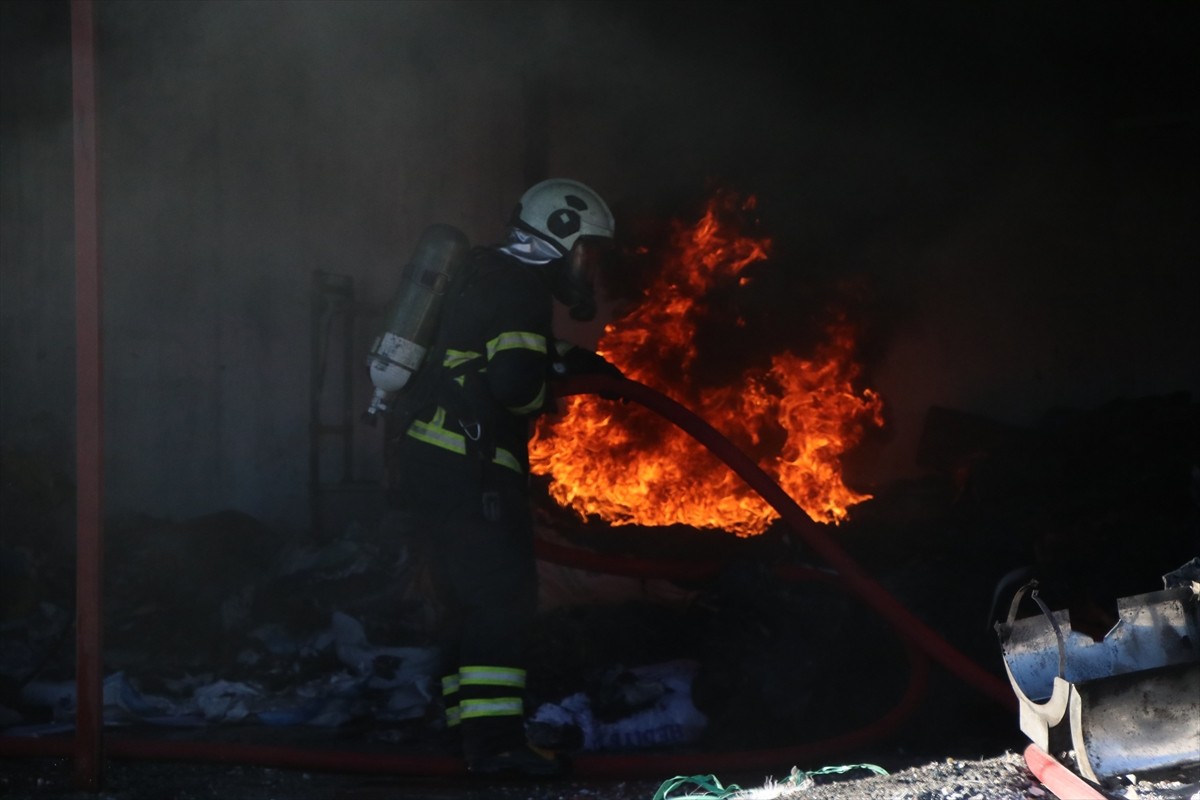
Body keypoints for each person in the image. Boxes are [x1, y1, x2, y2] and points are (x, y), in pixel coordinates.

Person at [383, 178, 621, 777]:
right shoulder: (519, 288)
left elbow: (496, 352)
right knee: (502, 599)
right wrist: (551, 389)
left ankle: (468, 733)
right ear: (561, 236)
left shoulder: (485, 273)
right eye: (586, 251)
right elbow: (515, 386)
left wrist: (576, 364)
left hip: (435, 459)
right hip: (473, 468)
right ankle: (497, 749)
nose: (587, 267)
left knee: (468, 598)